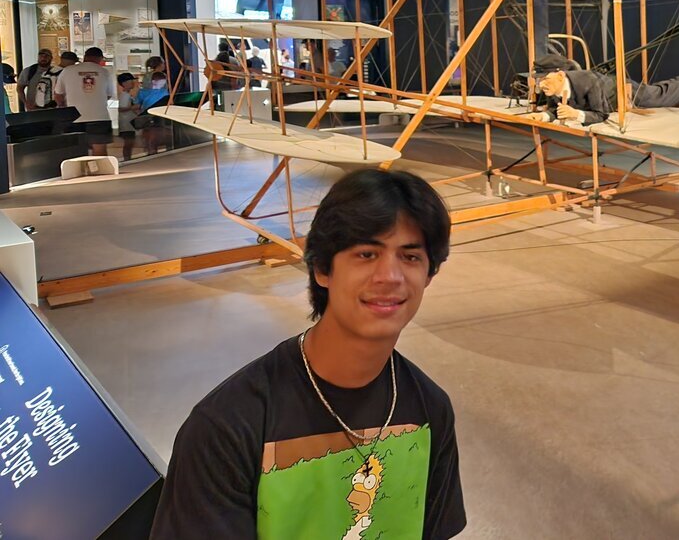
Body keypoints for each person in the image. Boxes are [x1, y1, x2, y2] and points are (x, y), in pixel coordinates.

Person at [149, 169, 465, 539]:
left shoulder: (430, 410)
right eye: (367, 253)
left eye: (410, 257)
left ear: (429, 274)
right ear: (322, 269)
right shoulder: (228, 426)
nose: (390, 276)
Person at [529, 68, 679, 127]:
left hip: (619, 92)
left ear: (560, 75)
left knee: (656, 97)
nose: (541, 85)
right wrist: (544, 116)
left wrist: (575, 114)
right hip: (606, 98)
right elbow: (554, 109)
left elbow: (601, 114)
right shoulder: (554, 89)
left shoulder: (588, 82)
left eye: (545, 79)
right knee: (657, 94)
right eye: (539, 81)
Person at [54, 46, 116, 157]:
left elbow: (58, 95)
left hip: (73, 116)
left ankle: (80, 172)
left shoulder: (67, 70)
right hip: (99, 116)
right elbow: (109, 95)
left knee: (75, 151)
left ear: (84, 57)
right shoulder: (104, 72)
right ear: (100, 59)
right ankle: (100, 172)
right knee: (99, 149)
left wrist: (63, 106)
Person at [116, 71, 140, 161]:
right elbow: (121, 109)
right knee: (128, 143)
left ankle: (128, 159)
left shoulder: (128, 95)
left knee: (130, 142)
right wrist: (133, 107)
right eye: (131, 81)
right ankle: (127, 159)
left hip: (129, 123)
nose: (133, 83)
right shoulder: (124, 95)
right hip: (126, 124)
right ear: (124, 83)